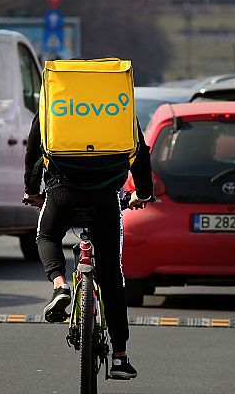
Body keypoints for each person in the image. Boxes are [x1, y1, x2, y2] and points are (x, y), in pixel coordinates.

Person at [23, 112, 154, 380]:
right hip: (105, 194)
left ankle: (60, 286)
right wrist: (143, 192)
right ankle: (119, 357)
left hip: (62, 190)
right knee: (111, 274)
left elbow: (34, 147)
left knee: (46, 237)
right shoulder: (118, 100)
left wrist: (32, 189)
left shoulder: (55, 97)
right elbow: (138, 151)